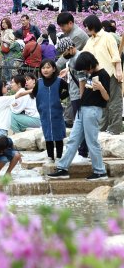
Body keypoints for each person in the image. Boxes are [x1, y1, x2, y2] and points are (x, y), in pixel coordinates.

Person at [48, 52, 110, 180]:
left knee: (91, 141)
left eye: (85, 68)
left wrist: (100, 88)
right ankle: (62, 168)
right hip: (83, 110)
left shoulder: (104, 75)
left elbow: (107, 97)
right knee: (73, 139)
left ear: (90, 64)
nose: (85, 71)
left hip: (93, 110)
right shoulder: (91, 74)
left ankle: (100, 171)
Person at [82, 15, 123, 134]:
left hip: (111, 74)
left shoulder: (107, 37)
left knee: (114, 102)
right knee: (101, 103)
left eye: (87, 27)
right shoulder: (90, 41)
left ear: (92, 25)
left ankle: (115, 129)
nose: (86, 30)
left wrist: (119, 70)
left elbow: (115, 55)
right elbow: (83, 55)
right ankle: (102, 128)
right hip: (97, 77)